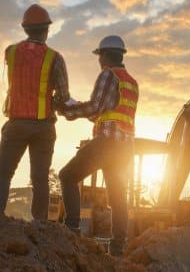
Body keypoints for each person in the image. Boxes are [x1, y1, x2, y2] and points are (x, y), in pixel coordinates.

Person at [0, 3, 71, 221]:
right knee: (40, 178)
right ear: (47, 30)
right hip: (43, 125)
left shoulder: (11, 52)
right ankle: (40, 224)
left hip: (15, 123)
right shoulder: (55, 58)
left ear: (25, 29)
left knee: (3, 173)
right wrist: (58, 105)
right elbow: (63, 97)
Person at [58, 35, 138, 256]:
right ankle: (118, 246)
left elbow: (94, 108)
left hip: (106, 143)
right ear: (121, 55)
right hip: (125, 148)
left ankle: (72, 229)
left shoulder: (107, 74)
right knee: (118, 195)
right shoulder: (131, 82)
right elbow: (107, 112)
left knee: (67, 176)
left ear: (103, 56)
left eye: (99, 56)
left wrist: (68, 110)